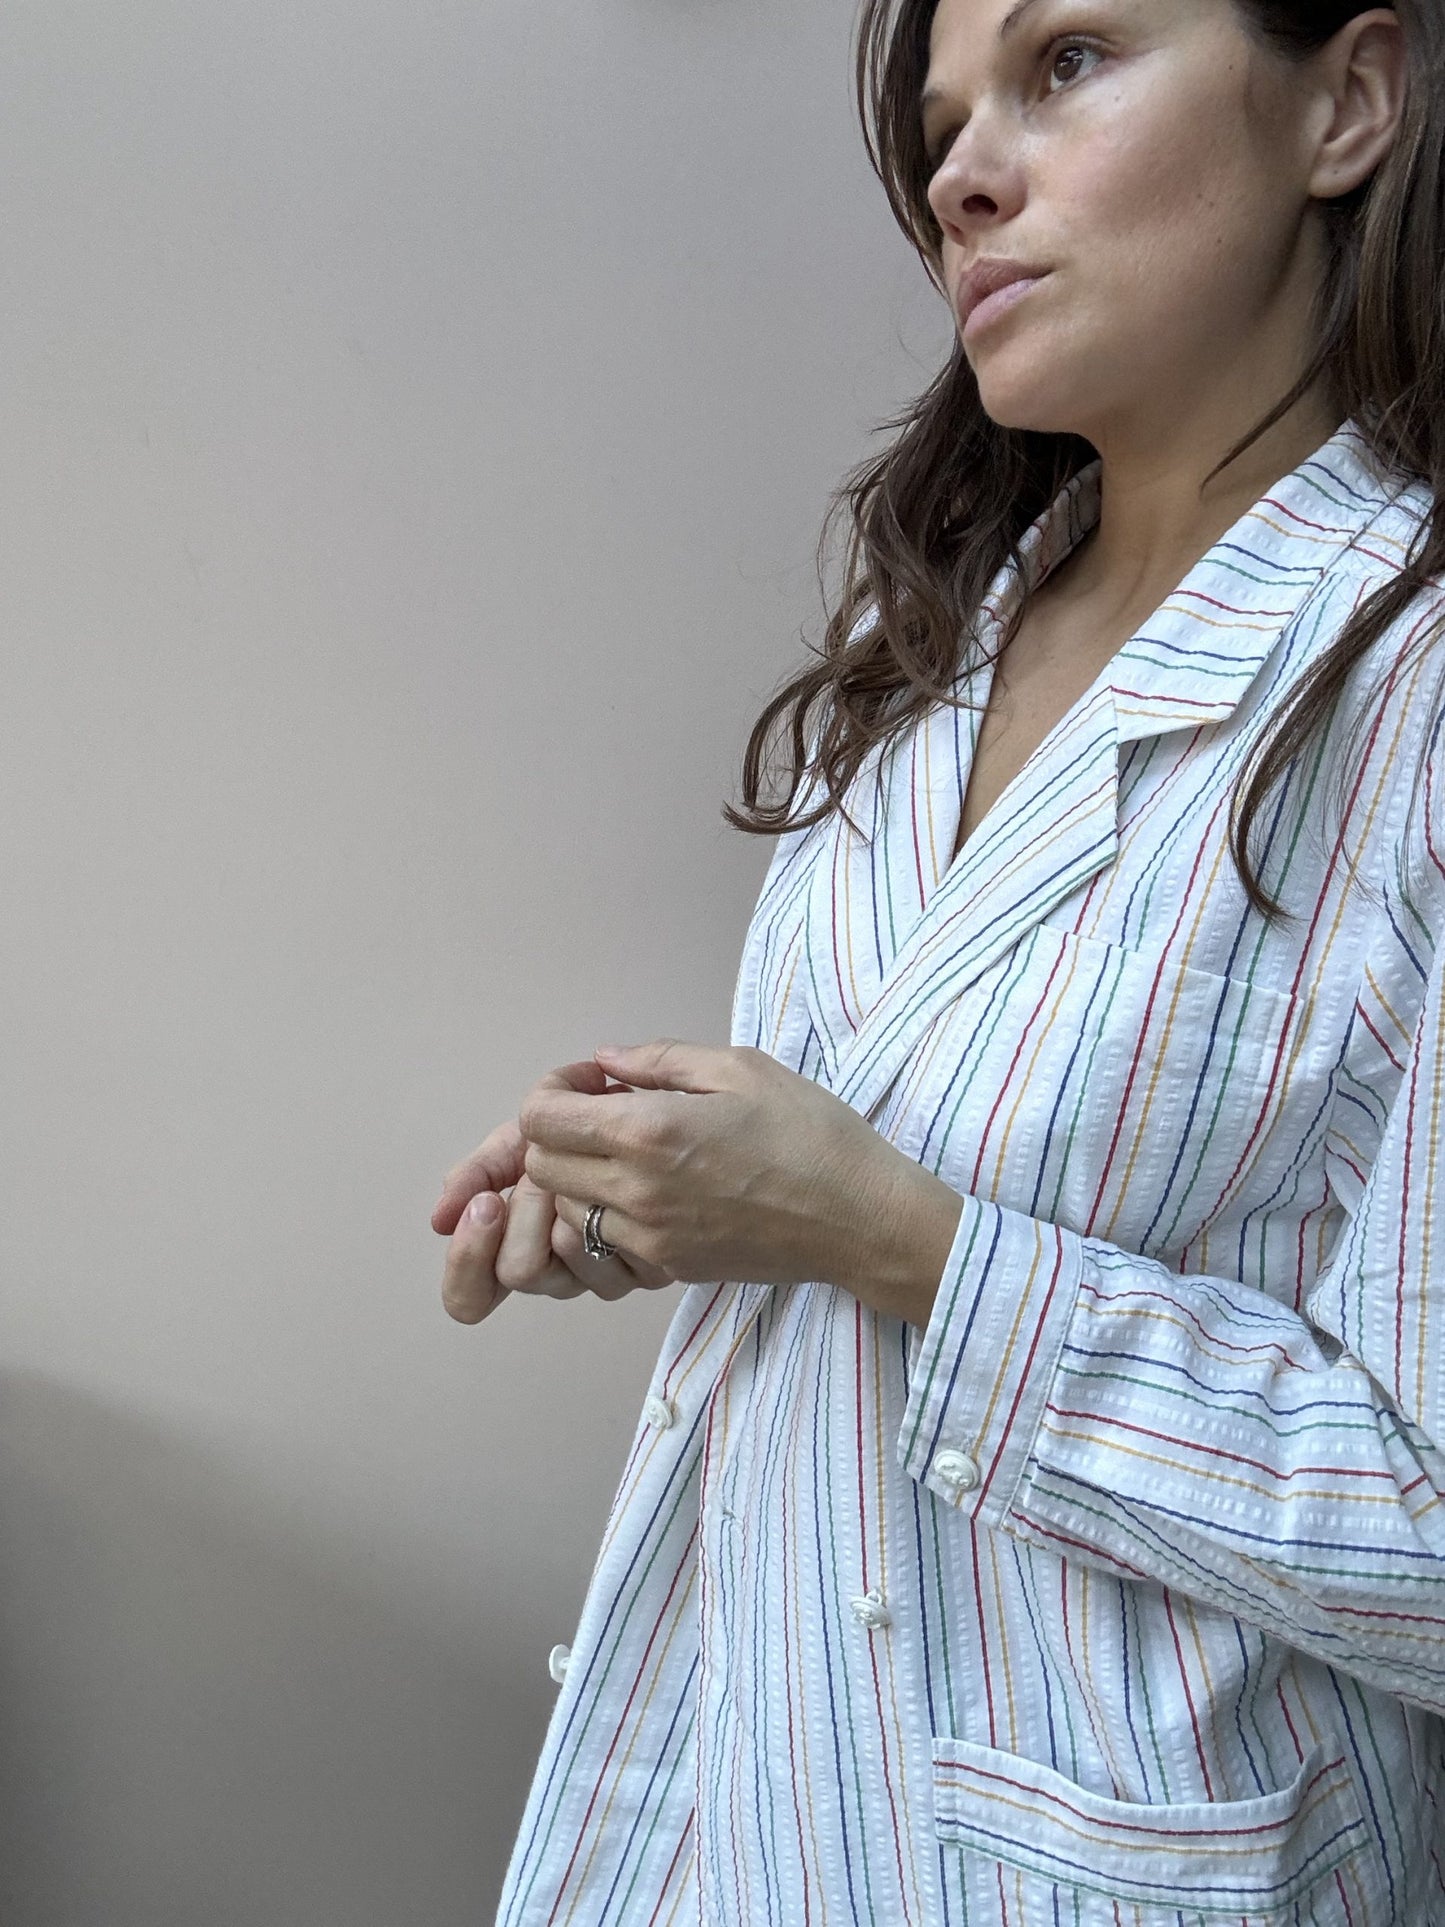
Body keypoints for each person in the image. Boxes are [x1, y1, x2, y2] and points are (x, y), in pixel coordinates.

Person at [432, 1, 1444, 1919]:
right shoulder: (950, 635)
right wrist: (671, 1181)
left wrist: (889, 1237)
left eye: (1068, 62)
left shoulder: (1408, 687)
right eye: (942, 119)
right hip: (751, 1815)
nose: (957, 173)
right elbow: (915, 1149)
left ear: (1350, 101)